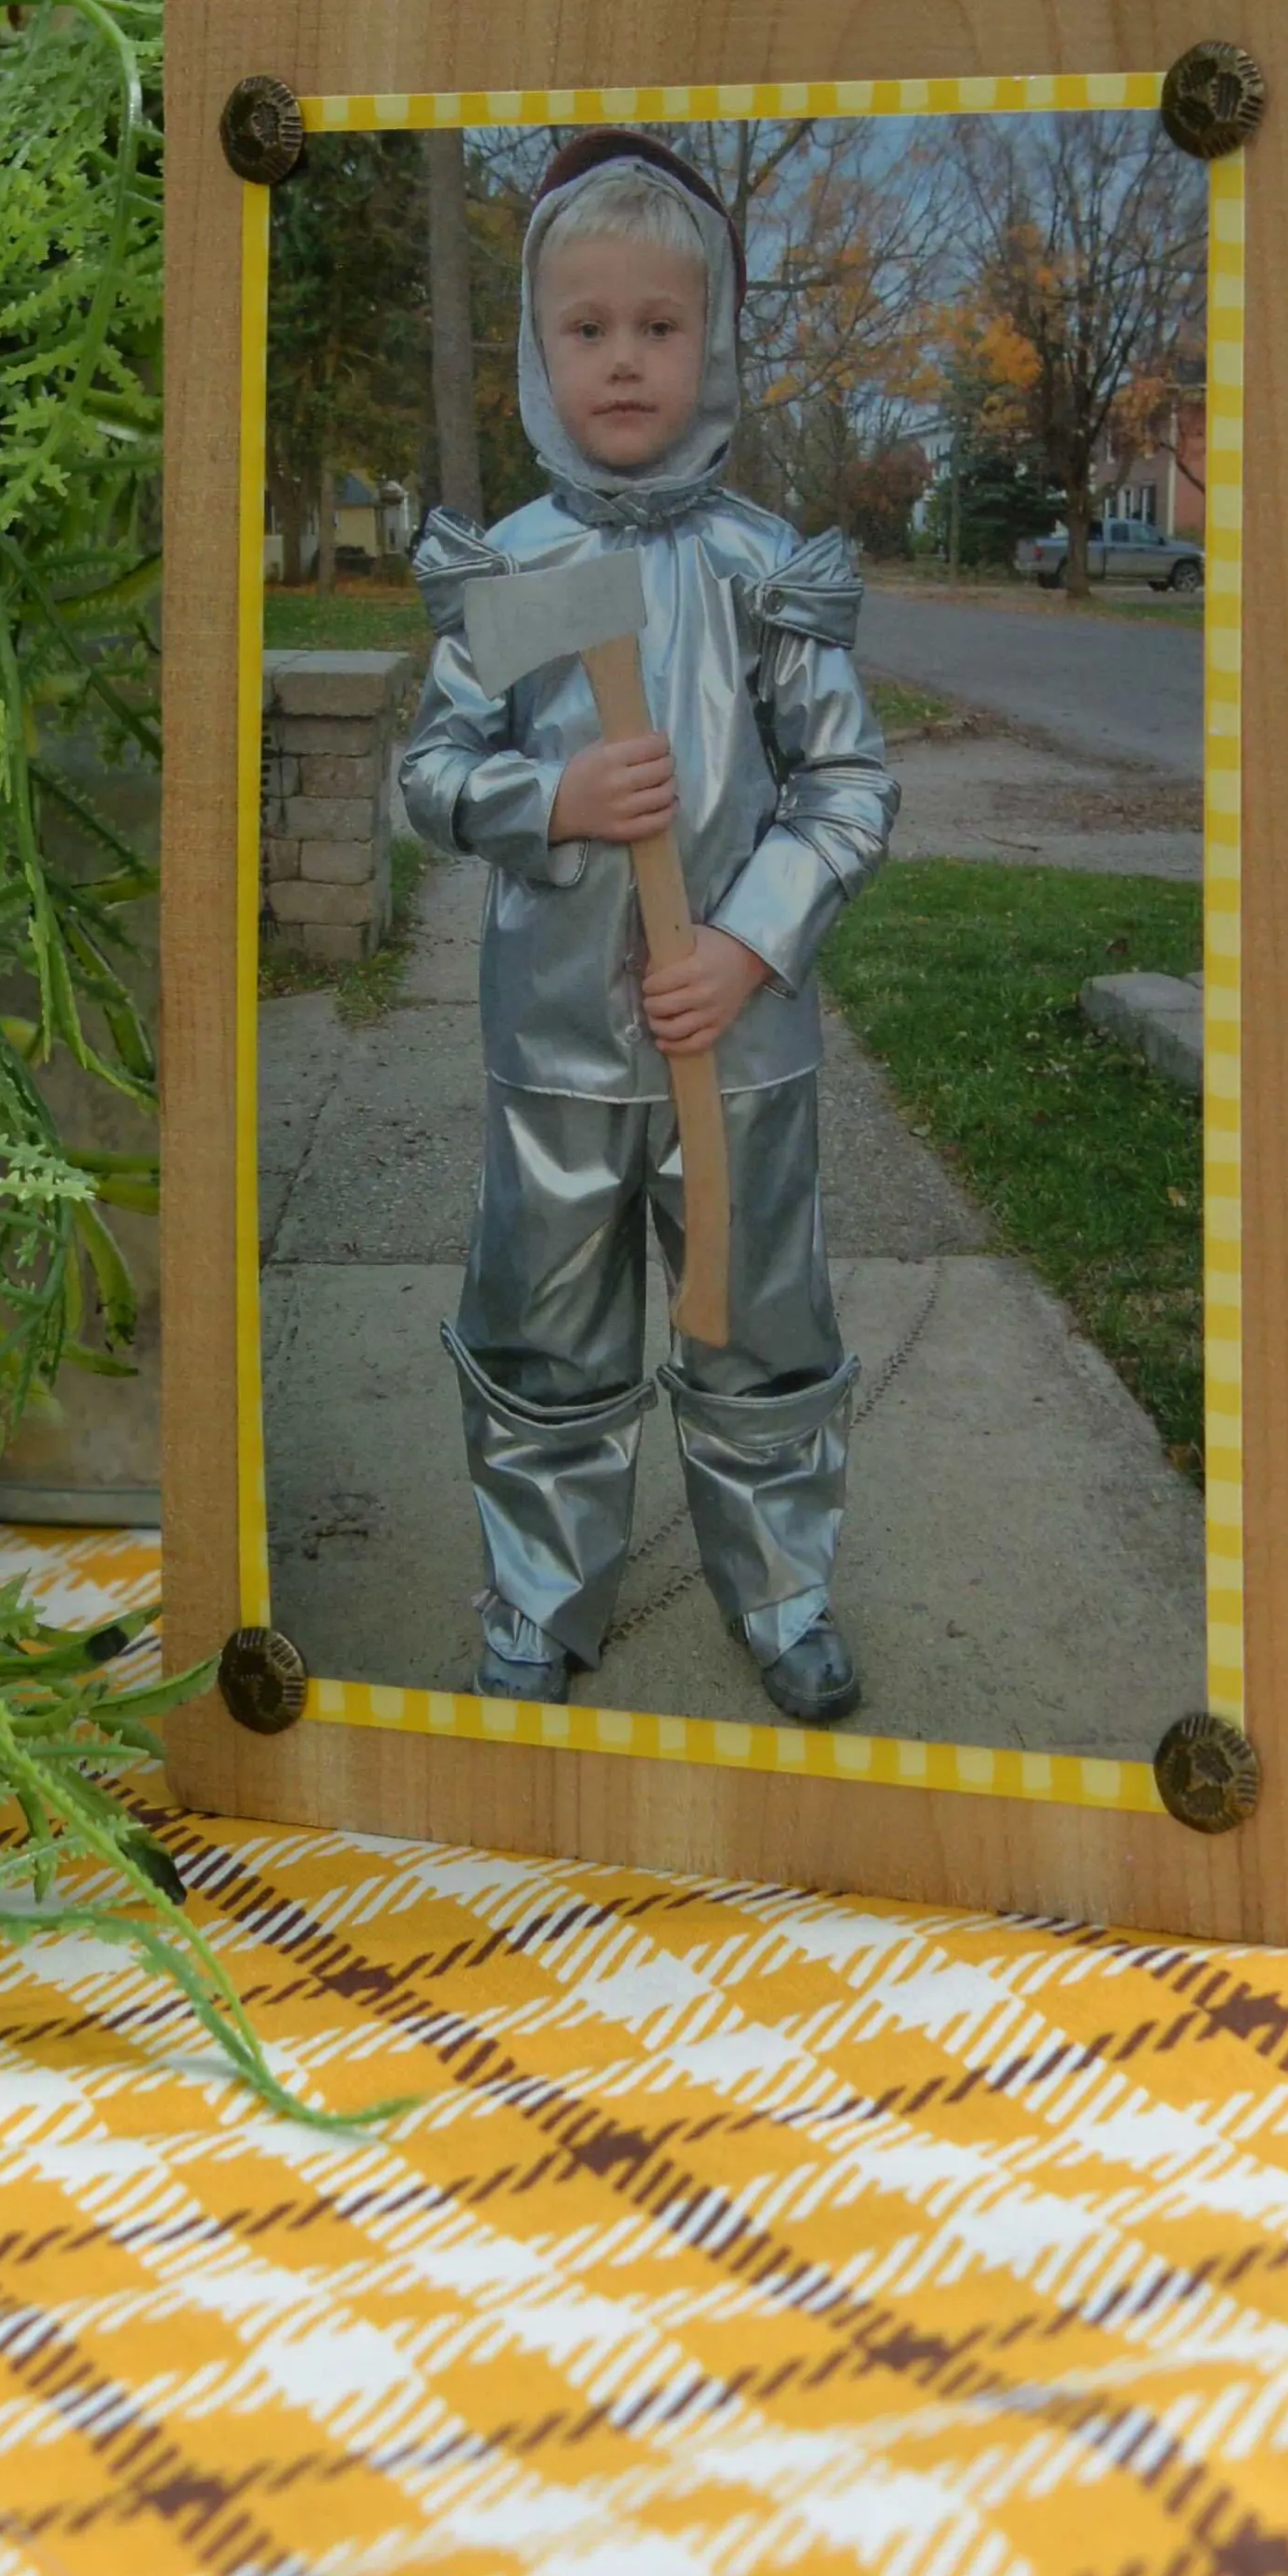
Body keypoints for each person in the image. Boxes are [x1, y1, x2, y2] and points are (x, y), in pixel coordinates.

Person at [398, 133, 896, 1724]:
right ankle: (543, 1592)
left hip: (738, 1050)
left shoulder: (764, 576)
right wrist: (550, 797)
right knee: (542, 1330)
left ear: (714, 343)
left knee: (759, 1324)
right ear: (538, 352)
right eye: (588, 327)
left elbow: (847, 788)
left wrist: (746, 945)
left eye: (660, 327)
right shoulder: (515, 575)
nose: (624, 359)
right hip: (555, 1049)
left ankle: (785, 1589)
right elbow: (430, 776)